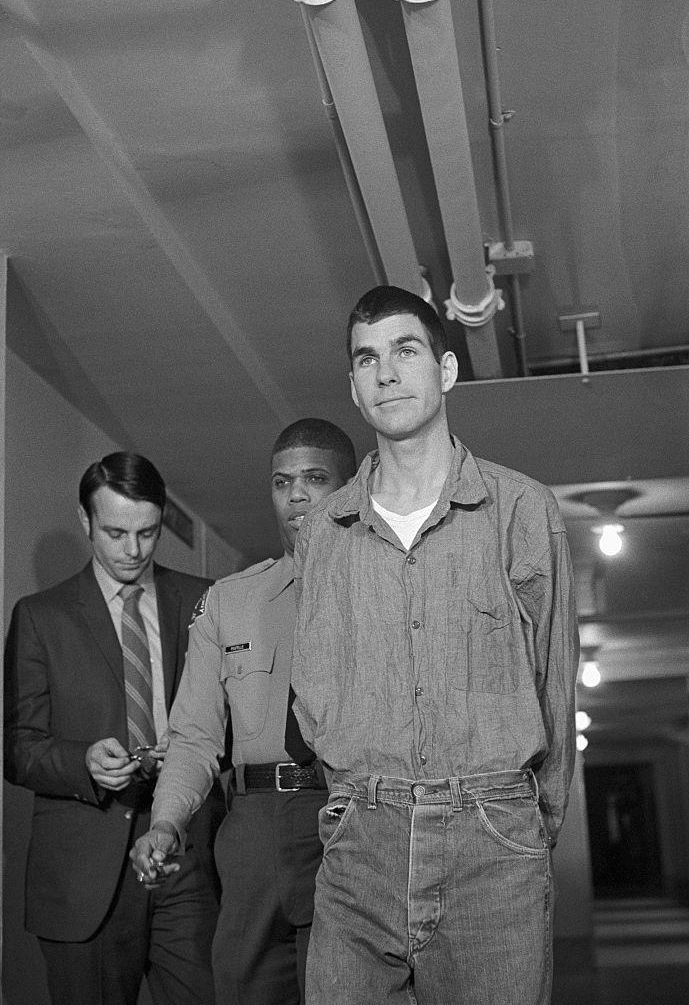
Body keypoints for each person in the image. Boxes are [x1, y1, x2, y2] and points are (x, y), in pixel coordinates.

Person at [290, 286, 580, 1005]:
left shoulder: (520, 510)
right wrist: (355, 800)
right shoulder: (326, 530)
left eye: (404, 350)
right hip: (362, 840)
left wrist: (525, 825)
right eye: (367, 359)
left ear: (446, 371)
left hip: (492, 840)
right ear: (354, 389)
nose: (385, 372)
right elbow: (314, 684)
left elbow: (556, 679)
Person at [130, 418, 357, 1005]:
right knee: (242, 987)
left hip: (349, 817)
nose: (297, 495)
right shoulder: (232, 600)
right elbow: (194, 736)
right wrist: (167, 821)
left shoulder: (385, 592)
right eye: (283, 482)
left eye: (315, 478)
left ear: (353, 487)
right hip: (253, 827)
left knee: (346, 990)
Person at [4, 451, 222, 1005]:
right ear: (86, 522)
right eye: (115, 532)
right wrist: (83, 762)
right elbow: (19, 750)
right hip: (84, 872)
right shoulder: (39, 616)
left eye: (147, 533)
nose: (133, 551)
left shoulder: (205, 600)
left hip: (189, 854)